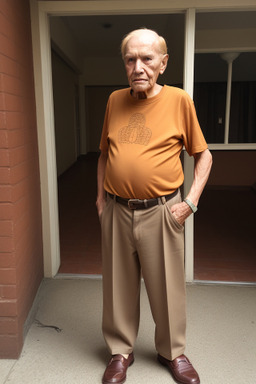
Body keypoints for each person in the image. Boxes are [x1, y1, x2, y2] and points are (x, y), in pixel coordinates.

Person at [96, 28, 212, 384]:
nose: (138, 67)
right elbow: (105, 154)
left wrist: (189, 203)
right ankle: (120, 351)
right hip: (116, 209)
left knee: (167, 288)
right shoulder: (115, 100)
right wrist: (101, 201)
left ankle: (172, 352)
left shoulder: (179, 100)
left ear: (163, 63)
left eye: (147, 59)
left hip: (163, 210)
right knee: (118, 287)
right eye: (130, 59)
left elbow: (203, 155)